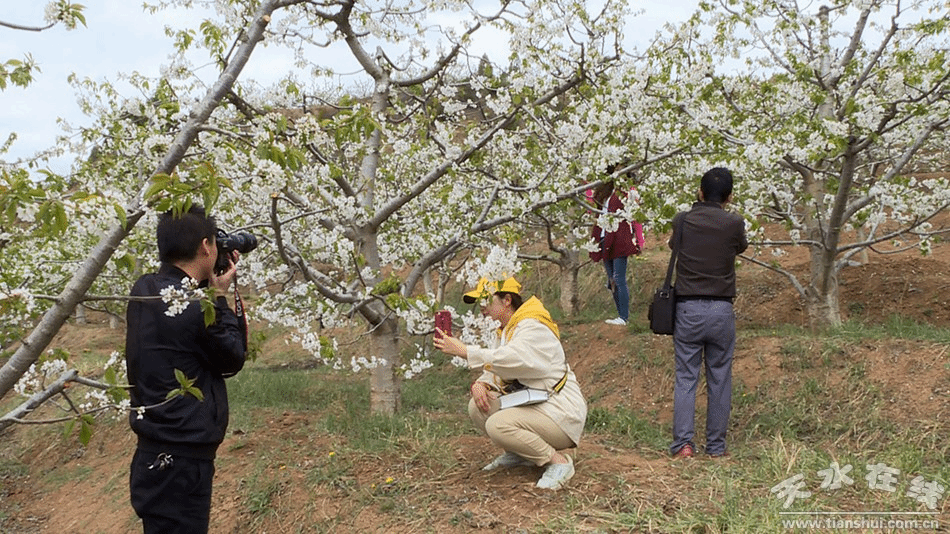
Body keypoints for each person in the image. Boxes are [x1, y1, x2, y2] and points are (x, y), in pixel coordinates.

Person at [125, 206, 248, 533]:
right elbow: (233, 357)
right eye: (214, 244)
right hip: (182, 463)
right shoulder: (198, 307)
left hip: (153, 456)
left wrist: (207, 286)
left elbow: (180, 319)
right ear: (206, 246)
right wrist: (219, 296)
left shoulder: (143, 290)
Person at [434, 277, 587, 490]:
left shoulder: (533, 326)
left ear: (507, 300)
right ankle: (520, 453)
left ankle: (558, 462)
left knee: (498, 425)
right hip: (534, 403)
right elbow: (500, 368)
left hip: (559, 410)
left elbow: (515, 359)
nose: (482, 308)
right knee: (478, 407)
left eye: (486, 301)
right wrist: (481, 384)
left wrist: (466, 351)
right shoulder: (506, 329)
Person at [668, 167, 748, 459]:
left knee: (686, 377)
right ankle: (716, 446)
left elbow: (674, 245)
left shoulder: (683, 220)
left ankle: (683, 445)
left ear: (700, 192)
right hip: (721, 309)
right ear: (729, 196)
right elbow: (739, 247)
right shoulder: (734, 223)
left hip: (688, 308)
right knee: (720, 377)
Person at [588, 179, 643, 326]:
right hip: (604, 237)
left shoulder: (623, 194)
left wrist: (639, 240)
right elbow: (592, 209)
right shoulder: (603, 195)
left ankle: (624, 317)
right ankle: (621, 315)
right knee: (611, 279)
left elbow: (634, 215)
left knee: (619, 278)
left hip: (619, 238)